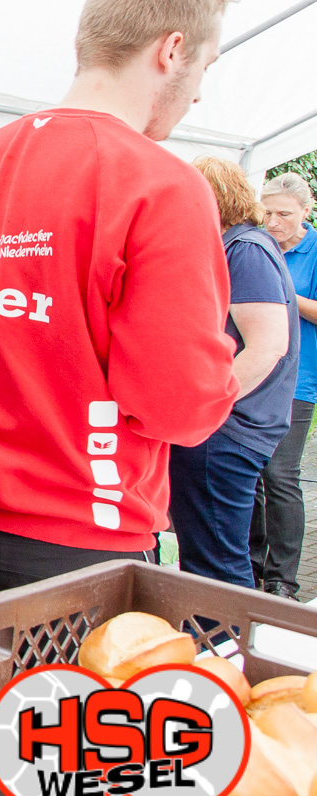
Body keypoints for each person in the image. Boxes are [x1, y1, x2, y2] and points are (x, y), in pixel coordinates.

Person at [0, 0, 239, 653]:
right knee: (52, 758)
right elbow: (181, 404)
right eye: (206, 68)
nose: (200, 94)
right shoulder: (162, 187)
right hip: (73, 544)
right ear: (171, 49)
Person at [169, 158, 295, 587]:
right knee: (212, 556)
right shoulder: (241, 246)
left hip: (225, 430)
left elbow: (268, 344)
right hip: (224, 428)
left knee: (216, 564)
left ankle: (224, 647)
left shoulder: (246, 250)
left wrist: (207, 404)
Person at [254, 172, 317, 598]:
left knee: (280, 475)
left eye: (283, 214)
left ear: (306, 213)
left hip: (299, 380)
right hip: (257, 373)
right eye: (267, 212)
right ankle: (252, 568)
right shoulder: (258, 245)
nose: (273, 221)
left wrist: (281, 293)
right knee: (252, 474)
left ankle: (282, 580)